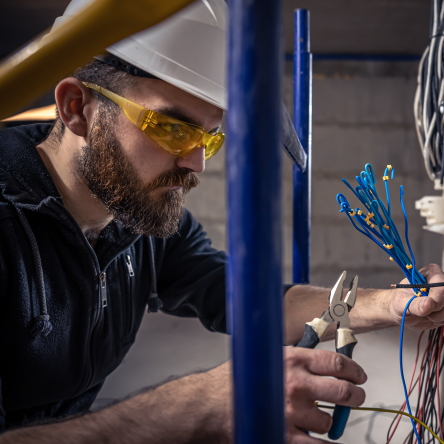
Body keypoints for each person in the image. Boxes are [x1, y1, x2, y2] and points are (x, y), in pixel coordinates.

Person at [1, 1, 444, 443]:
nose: (196, 163)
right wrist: (195, 404)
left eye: (210, 139)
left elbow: (241, 298)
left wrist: (387, 304)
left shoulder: (141, 220)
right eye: (172, 128)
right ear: (77, 107)